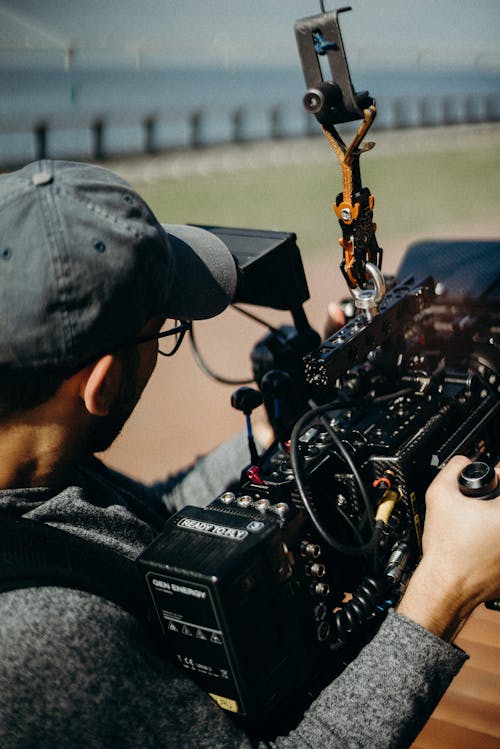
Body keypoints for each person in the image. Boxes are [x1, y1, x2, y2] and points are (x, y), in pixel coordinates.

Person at [0, 159, 498, 749]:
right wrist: (445, 588)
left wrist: (281, 427)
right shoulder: (43, 641)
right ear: (100, 385)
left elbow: (138, 532)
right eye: (165, 332)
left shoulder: (36, 467)